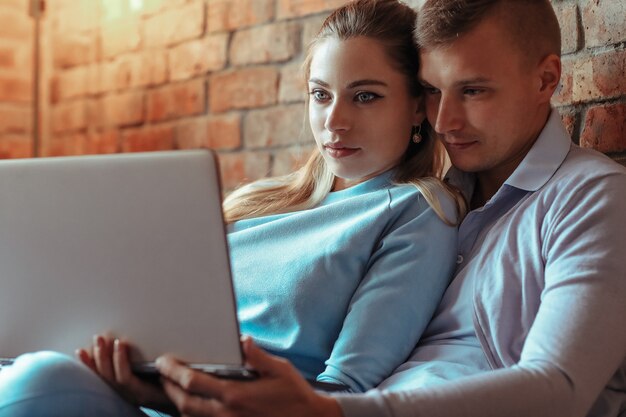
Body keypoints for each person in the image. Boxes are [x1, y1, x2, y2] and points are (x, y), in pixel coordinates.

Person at [82, 0, 626, 416]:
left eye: (474, 91)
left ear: (546, 80)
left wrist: (332, 410)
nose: (444, 121)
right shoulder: (445, 192)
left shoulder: (590, 197)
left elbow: (561, 388)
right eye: (435, 92)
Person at [0, 1, 466, 416]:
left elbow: (342, 390)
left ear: (417, 108)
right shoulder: (258, 200)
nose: (334, 121)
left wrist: (171, 395)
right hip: (134, 386)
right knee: (34, 365)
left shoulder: (418, 209)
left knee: (41, 380)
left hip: (212, 407)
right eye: (321, 95)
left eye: (366, 96)